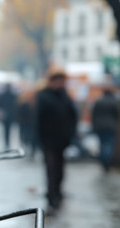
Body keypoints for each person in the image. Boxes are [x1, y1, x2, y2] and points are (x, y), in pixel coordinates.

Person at [36, 71, 77, 213]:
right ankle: (52, 196)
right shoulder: (44, 96)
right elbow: (38, 118)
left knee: (60, 169)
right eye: (59, 80)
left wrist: (71, 133)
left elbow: (72, 116)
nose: (61, 83)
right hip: (48, 139)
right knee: (51, 168)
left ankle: (58, 193)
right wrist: (38, 139)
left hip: (63, 139)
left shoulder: (65, 96)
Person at [91, 83, 120, 171]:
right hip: (110, 126)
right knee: (109, 145)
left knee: (102, 144)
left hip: (99, 127)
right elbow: (117, 114)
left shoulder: (98, 101)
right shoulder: (114, 101)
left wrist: (94, 125)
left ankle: (102, 161)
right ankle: (107, 163)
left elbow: (94, 114)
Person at [0, 84, 17, 148]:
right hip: (11, 114)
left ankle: (6, 142)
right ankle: (7, 142)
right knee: (9, 129)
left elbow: (0, 104)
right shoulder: (13, 95)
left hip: (5, 114)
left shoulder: (2, 95)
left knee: (5, 129)